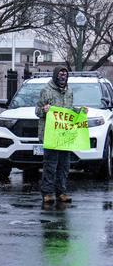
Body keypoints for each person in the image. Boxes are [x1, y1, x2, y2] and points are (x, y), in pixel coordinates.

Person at [36, 65, 83, 206]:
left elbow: (69, 110)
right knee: (50, 165)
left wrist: (80, 111)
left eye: (65, 75)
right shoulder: (46, 90)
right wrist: (44, 110)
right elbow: (37, 111)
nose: (63, 77)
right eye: (61, 74)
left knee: (64, 165)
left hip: (64, 135)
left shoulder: (69, 91)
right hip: (50, 135)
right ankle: (47, 193)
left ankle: (61, 192)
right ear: (56, 75)